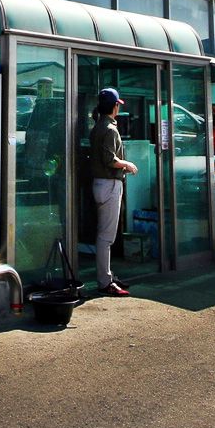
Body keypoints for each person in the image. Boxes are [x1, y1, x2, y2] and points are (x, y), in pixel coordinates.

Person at [88, 88, 137, 298]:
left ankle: (107, 277)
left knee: (104, 235)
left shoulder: (97, 127)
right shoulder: (109, 129)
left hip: (100, 184)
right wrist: (128, 164)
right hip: (109, 184)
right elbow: (110, 159)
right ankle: (105, 281)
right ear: (115, 106)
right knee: (106, 237)